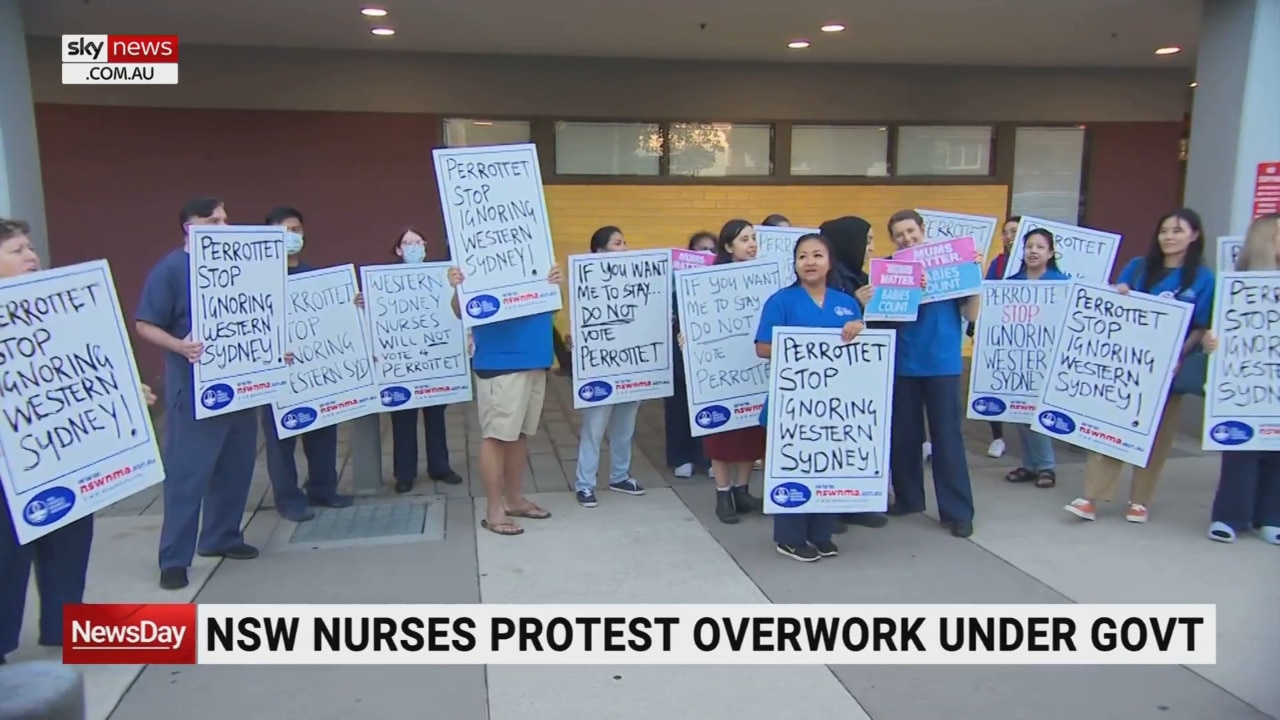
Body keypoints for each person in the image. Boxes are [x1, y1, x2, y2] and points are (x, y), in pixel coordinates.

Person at [1, 217, 158, 664]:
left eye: (30, 247)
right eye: (17, 250)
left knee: (69, 545)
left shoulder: (60, 305)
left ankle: (65, 625)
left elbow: (86, 374)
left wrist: (130, 394)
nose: (31, 255)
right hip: (9, 471)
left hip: (65, 458)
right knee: (7, 559)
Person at [135, 197, 261, 590]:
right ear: (190, 227)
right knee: (188, 477)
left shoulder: (242, 264)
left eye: (226, 218)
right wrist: (179, 346)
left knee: (236, 470)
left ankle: (222, 537)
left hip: (240, 386)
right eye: (213, 220)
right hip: (194, 393)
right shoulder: (170, 269)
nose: (223, 225)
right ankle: (174, 559)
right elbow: (145, 324)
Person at [1065, 208, 1214, 524]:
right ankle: (1091, 497)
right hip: (1126, 370)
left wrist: (1178, 356)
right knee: (1111, 430)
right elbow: (1114, 310)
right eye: (1164, 231)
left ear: (1195, 235)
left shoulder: (1203, 279)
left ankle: (1140, 500)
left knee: (1158, 437)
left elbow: (1200, 325)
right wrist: (1118, 293)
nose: (1169, 237)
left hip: (1167, 372)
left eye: (1177, 231)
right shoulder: (1137, 267)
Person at [856, 209, 979, 538]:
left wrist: (974, 278)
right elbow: (878, 317)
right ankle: (909, 497)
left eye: (911, 231)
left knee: (947, 438)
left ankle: (958, 511)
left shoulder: (952, 265)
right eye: (899, 235)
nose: (907, 238)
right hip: (903, 362)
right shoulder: (889, 269)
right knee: (904, 436)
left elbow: (971, 313)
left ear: (923, 230)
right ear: (893, 240)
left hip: (942, 363)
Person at [754, 233, 866, 561]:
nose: (810, 262)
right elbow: (762, 347)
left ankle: (821, 532)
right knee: (794, 467)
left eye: (817, 255)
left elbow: (862, 350)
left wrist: (859, 328)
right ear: (795, 264)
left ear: (829, 262)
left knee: (826, 466)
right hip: (793, 402)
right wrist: (805, 351)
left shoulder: (845, 302)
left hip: (834, 404)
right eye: (803, 256)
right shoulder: (781, 301)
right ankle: (789, 537)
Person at [447, 260, 563, 536]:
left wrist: (558, 284)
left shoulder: (536, 251)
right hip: (500, 359)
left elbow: (552, 306)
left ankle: (514, 499)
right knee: (497, 436)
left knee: (520, 433)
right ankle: (494, 509)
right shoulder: (477, 255)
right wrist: (457, 287)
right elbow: (461, 310)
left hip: (535, 355)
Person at [258, 206, 356, 521]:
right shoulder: (259, 279)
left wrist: (351, 305)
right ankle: (288, 499)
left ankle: (323, 488)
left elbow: (332, 319)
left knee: (323, 431)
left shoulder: (315, 276)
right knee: (281, 440)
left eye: (298, 230)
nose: (293, 236)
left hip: (316, 372)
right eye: (286, 230)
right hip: (278, 374)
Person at [1200, 213, 1280, 545]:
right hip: (1244, 385)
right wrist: (1210, 344)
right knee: (1240, 451)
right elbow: (1219, 331)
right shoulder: (1238, 284)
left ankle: (1271, 517)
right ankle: (1230, 516)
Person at [678, 219, 765, 524]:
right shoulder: (707, 280)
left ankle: (742, 490)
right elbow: (693, 318)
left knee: (750, 433)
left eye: (754, 238)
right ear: (728, 246)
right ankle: (723, 493)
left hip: (753, 367)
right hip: (719, 370)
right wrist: (688, 337)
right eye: (744, 239)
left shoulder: (767, 278)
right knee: (722, 434)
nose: (752, 244)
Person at [817, 215, 889, 531]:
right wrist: (854, 305)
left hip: (861, 376)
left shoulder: (860, 276)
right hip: (833, 379)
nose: (872, 248)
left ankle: (853, 503)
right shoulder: (832, 280)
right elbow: (821, 330)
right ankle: (827, 509)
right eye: (867, 241)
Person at [571, 226, 646, 507]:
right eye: (617, 243)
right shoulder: (586, 282)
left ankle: (619, 475)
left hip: (631, 364)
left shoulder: (637, 279)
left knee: (625, 427)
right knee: (595, 427)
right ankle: (585, 483)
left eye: (625, 242)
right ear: (599, 250)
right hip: (600, 367)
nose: (624, 248)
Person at [389, 228, 464, 493]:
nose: (413, 246)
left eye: (418, 242)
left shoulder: (440, 277)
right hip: (402, 363)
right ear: (398, 250)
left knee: (436, 416)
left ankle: (439, 466)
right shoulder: (384, 281)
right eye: (407, 242)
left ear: (426, 246)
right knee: (403, 420)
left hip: (434, 360)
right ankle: (404, 473)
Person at [996, 228, 1069, 489]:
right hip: (1018, 357)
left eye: (1039, 247)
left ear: (1050, 253)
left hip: (1047, 358)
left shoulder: (1063, 284)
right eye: (1029, 246)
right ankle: (1029, 465)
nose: (1033, 251)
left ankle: (1046, 466)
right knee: (1019, 411)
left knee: (1038, 413)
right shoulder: (1012, 282)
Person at [968, 216, 1021, 459]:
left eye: (1015, 232)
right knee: (994, 382)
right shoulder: (998, 264)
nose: (1010, 236)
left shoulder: (1033, 264)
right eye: (1007, 232)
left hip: (1025, 335)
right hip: (999, 333)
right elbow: (986, 293)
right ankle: (997, 436)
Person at [665, 231, 715, 478]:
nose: (705, 254)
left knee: (707, 404)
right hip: (680, 350)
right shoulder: (673, 285)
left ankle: (706, 457)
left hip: (710, 354)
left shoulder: (720, 284)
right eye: (699, 250)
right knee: (678, 406)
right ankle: (680, 456)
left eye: (710, 250)